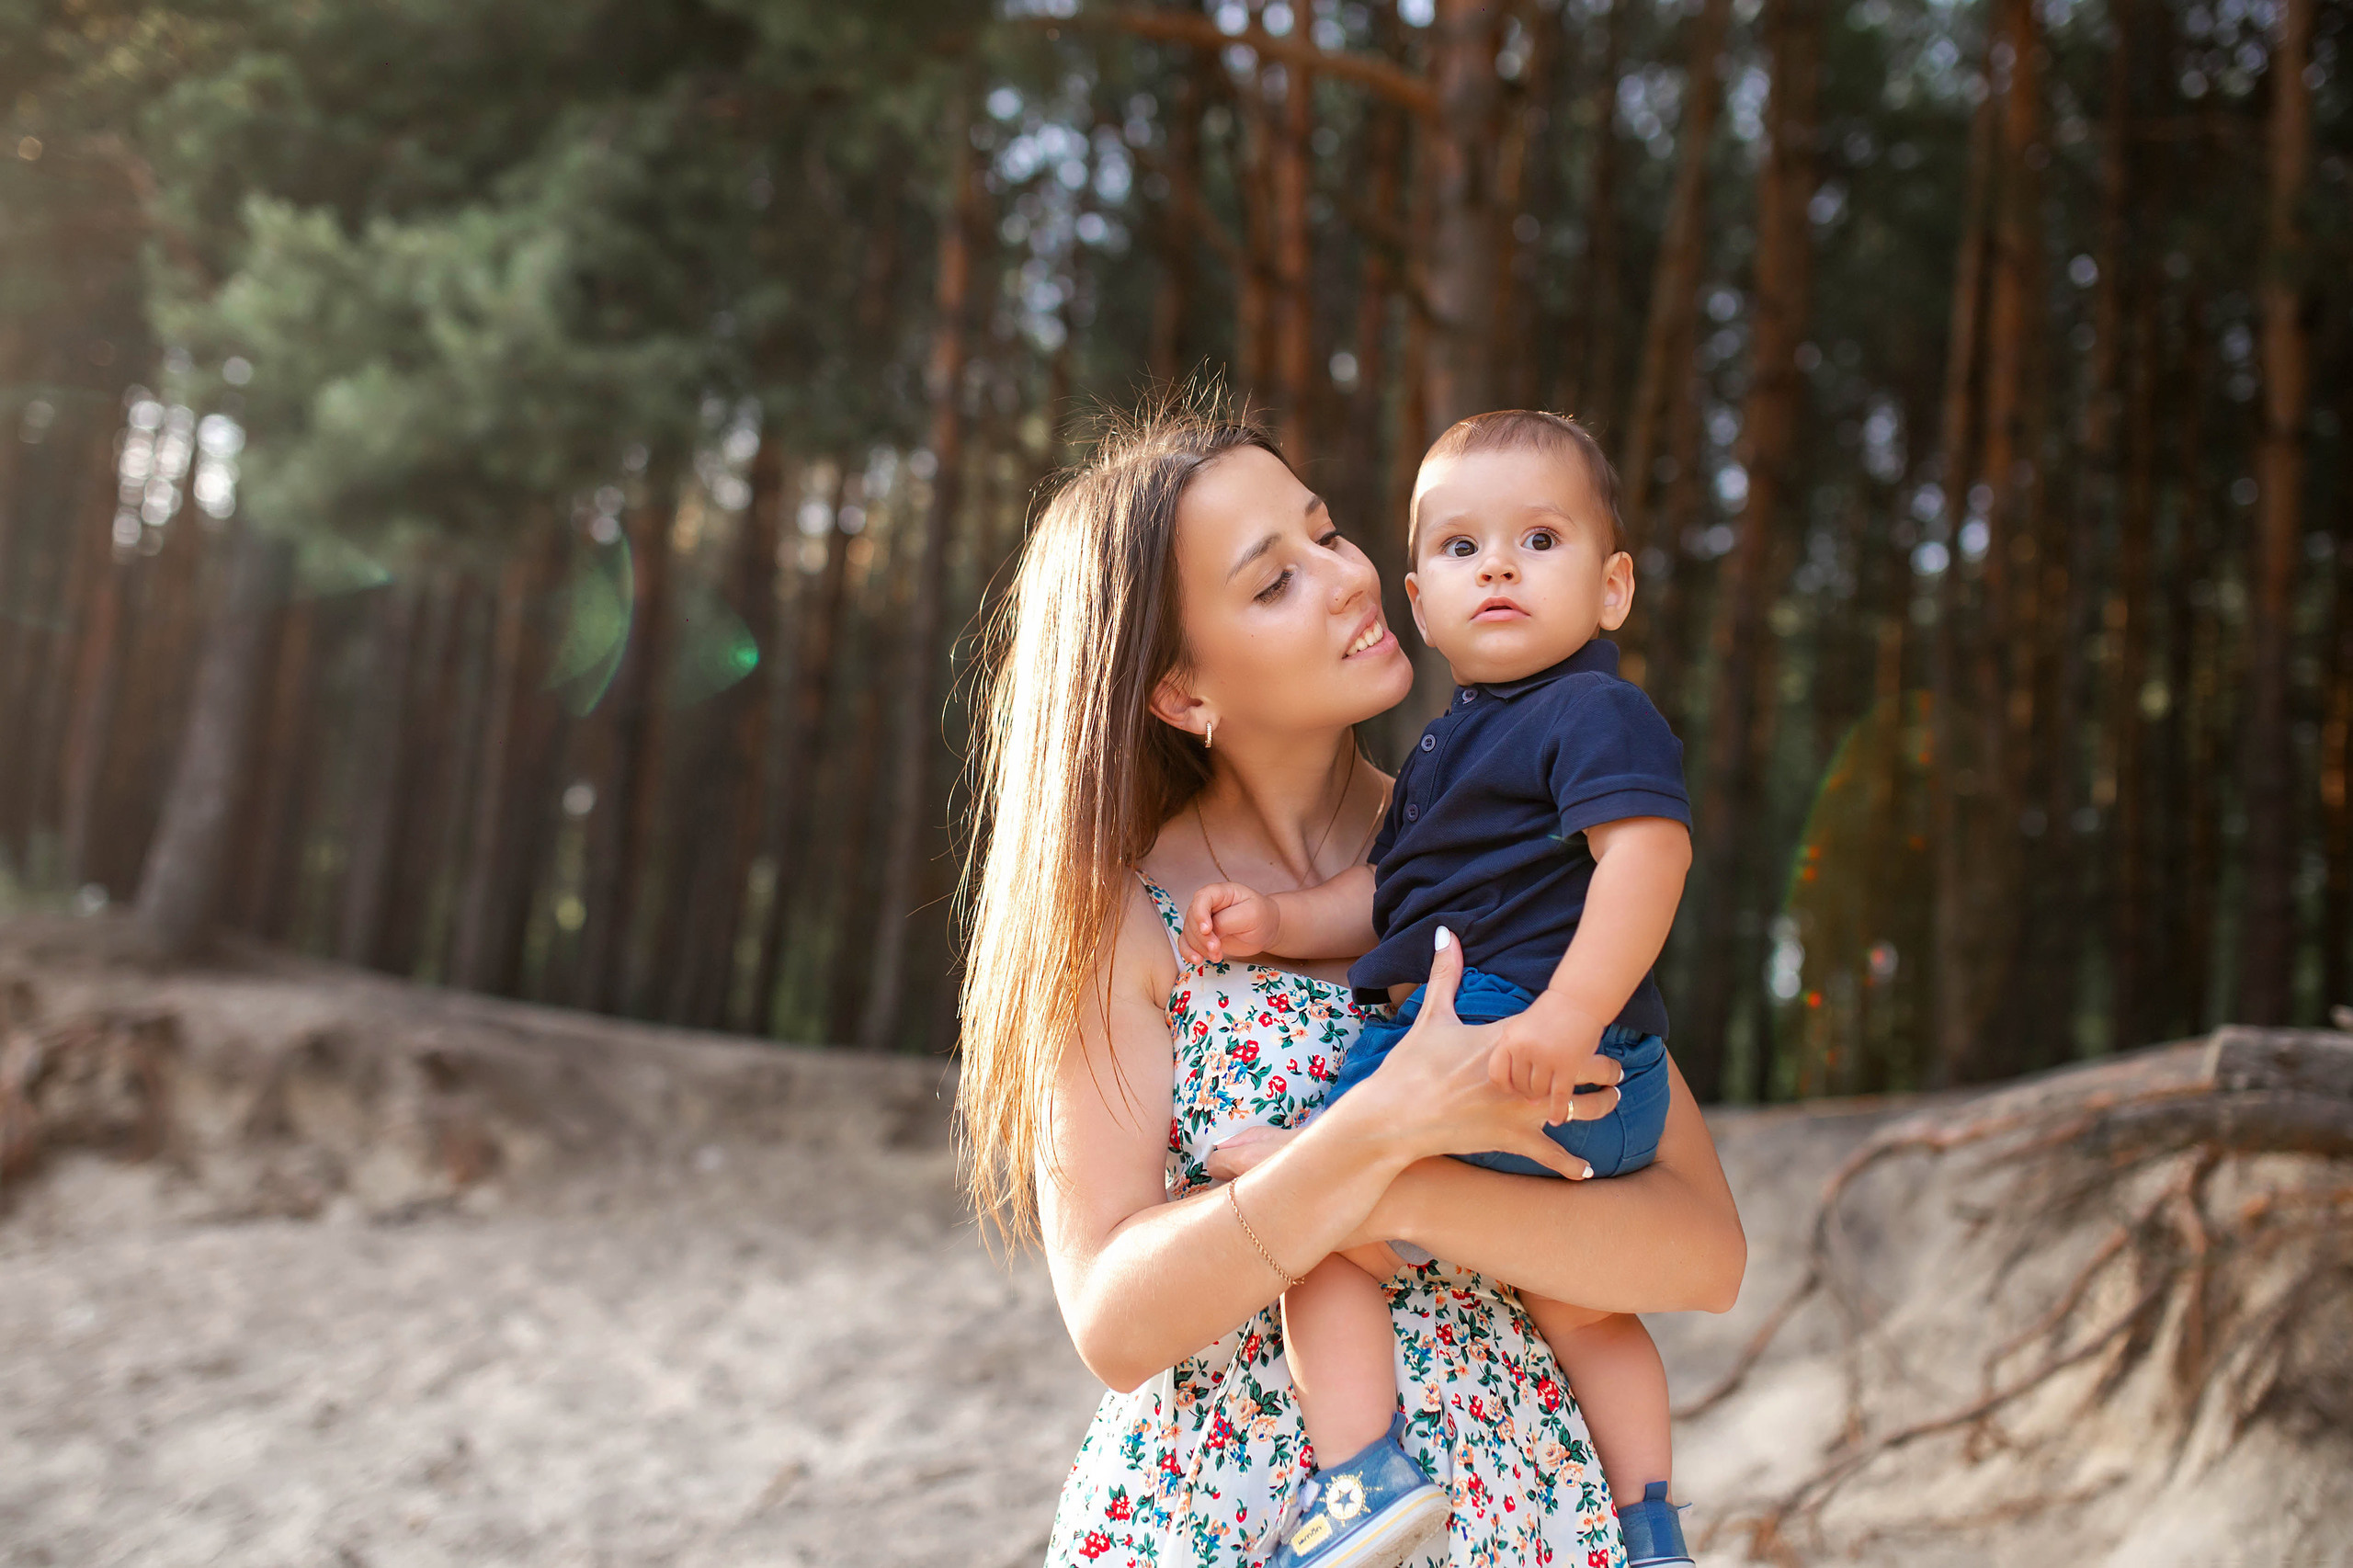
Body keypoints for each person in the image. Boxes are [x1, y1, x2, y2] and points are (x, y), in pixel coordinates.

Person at [954, 400, 1745, 1568]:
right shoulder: (1126, 915)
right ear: (1181, 691)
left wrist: (1398, 1194)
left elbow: (1702, 1254)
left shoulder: (1512, 839)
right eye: (1273, 582)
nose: (1344, 578)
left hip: (1519, 1505)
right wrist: (1372, 1137)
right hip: (1241, 1519)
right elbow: (1115, 1322)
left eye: (1326, 533)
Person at [1180, 411, 1699, 1568]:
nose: (1500, 564)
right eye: (1463, 548)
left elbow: (1650, 856)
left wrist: (1564, 1015)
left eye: (1541, 539)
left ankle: (1360, 1472)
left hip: (1518, 1037)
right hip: (1573, 1069)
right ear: (1424, 599)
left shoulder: (1592, 710)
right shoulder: (1446, 749)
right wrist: (1280, 923)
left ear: (1613, 589)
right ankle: (1648, 1521)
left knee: (1311, 1227)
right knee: (1581, 1308)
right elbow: (1390, 895)